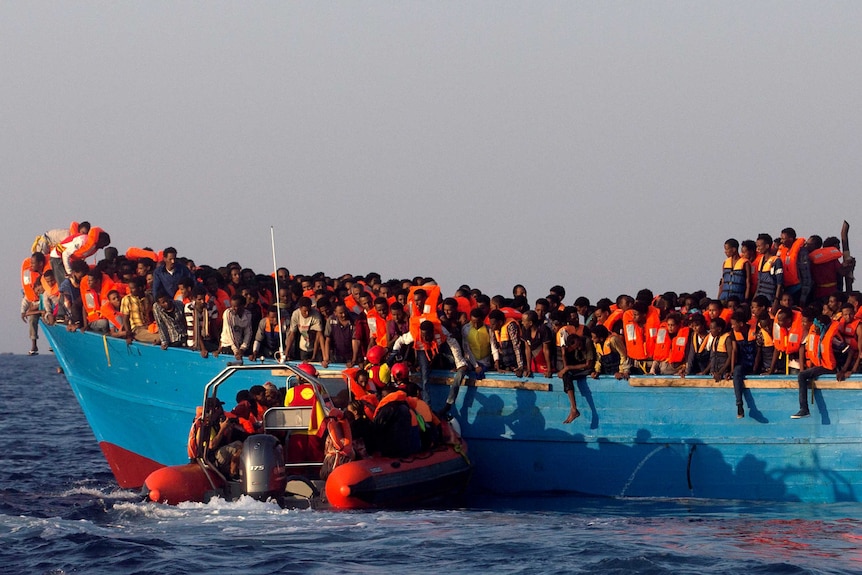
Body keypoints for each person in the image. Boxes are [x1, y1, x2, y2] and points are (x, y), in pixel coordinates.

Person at [793, 314, 853, 418]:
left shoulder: (832, 338)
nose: (814, 328)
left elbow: (850, 351)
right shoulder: (820, 336)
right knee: (804, 375)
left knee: (801, 375)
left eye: (817, 326)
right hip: (824, 366)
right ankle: (804, 409)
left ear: (823, 327)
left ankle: (804, 409)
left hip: (831, 368)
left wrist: (843, 370)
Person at [557, 331, 595, 423]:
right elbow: (566, 366)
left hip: (589, 368)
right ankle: (573, 408)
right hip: (580, 367)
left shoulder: (587, 342)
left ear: (579, 340)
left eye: (579, 345)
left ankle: (575, 410)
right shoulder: (573, 348)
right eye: (576, 348)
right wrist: (563, 354)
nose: (579, 348)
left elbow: (588, 365)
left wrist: (567, 368)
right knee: (566, 375)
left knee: (567, 372)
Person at [121, 276, 161, 344]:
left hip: (149, 327)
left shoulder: (149, 297)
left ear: (141, 288)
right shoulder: (127, 299)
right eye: (130, 288)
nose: (130, 291)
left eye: (133, 288)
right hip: (136, 330)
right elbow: (125, 319)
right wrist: (128, 335)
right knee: (160, 337)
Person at [778, 227, 812, 305]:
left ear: (790, 239)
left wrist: (803, 296)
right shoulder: (783, 251)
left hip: (798, 289)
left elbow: (806, 274)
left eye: (783, 239)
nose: (781, 241)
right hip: (787, 289)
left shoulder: (801, 252)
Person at [488, 309, 527, 376]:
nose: (491, 326)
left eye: (493, 324)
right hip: (504, 365)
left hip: (515, 364)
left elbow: (516, 347)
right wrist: (497, 363)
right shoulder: (493, 330)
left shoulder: (511, 326)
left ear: (500, 322)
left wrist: (520, 367)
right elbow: (494, 347)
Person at [284, 296, 324, 361]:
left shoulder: (316, 315)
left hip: (316, 347)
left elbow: (319, 336)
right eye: (304, 311)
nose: (307, 313)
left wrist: (314, 357)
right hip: (303, 347)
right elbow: (292, 334)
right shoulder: (295, 314)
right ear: (300, 308)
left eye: (309, 311)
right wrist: (286, 353)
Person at [184, 286, 219, 357]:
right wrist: (203, 348)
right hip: (194, 342)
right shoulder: (189, 308)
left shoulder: (211, 307)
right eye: (199, 299)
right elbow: (195, 329)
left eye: (203, 299)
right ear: (194, 299)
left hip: (208, 340)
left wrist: (220, 344)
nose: (202, 301)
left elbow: (214, 326)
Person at [217, 294, 253, 361]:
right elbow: (230, 333)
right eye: (232, 306)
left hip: (240, 345)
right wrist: (236, 351)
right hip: (228, 345)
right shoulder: (228, 313)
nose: (233, 308)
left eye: (235, 306)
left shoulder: (248, 314)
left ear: (242, 306)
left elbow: (248, 332)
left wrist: (243, 348)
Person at [754, 233, 783, 306]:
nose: (758, 248)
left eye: (759, 246)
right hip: (760, 298)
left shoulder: (776, 261)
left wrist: (776, 301)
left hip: (770, 299)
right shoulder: (761, 260)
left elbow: (779, 283)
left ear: (767, 246)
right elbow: (759, 282)